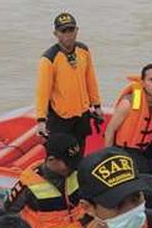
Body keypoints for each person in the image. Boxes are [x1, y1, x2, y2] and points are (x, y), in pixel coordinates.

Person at [35, 12, 103, 152]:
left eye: (71, 30)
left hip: (82, 114)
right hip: (61, 117)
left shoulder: (83, 51)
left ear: (77, 31)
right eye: (63, 31)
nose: (68, 34)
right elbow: (43, 92)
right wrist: (41, 120)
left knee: (80, 150)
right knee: (60, 155)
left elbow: (90, 79)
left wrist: (96, 105)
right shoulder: (49, 59)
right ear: (56, 33)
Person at [104, 63, 152, 174]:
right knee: (146, 175)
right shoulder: (128, 102)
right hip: (124, 149)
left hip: (146, 147)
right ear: (143, 83)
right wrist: (109, 158)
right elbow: (110, 130)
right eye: (151, 80)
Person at [4, 132, 82, 228]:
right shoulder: (29, 183)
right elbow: (7, 212)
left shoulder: (76, 171)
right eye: (69, 164)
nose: (73, 168)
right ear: (51, 160)